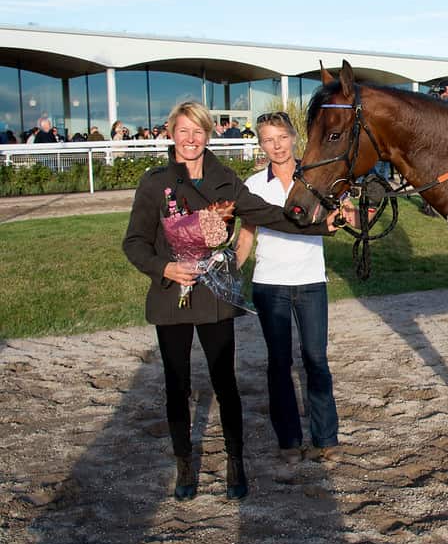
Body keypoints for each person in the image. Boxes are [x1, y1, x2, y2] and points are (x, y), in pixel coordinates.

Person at [122, 101, 339, 502]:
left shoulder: (226, 181)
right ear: (171, 132)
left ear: (208, 134)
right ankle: (185, 463)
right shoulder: (155, 183)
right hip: (171, 297)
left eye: (199, 131)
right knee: (177, 386)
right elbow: (133, 242)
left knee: (226, 385)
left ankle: (235, 462)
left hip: (213, 298)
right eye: (183, 131)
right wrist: (164, 269)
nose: (191, 140)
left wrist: (322, 225)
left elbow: (271, 215)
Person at [235, 112, 341, 465]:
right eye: (268, 139)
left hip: (311, 281)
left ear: (293, 137)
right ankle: (289, 440)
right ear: (261, 144)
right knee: (279, 364)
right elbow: (247, 233)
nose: (276, 145)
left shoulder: (315, 178)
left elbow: (343, 215)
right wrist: (230, 269)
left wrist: (349, 216)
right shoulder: (252, 185)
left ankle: (325, 438)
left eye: (281, 137)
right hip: (270, 284)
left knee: (316, 361)